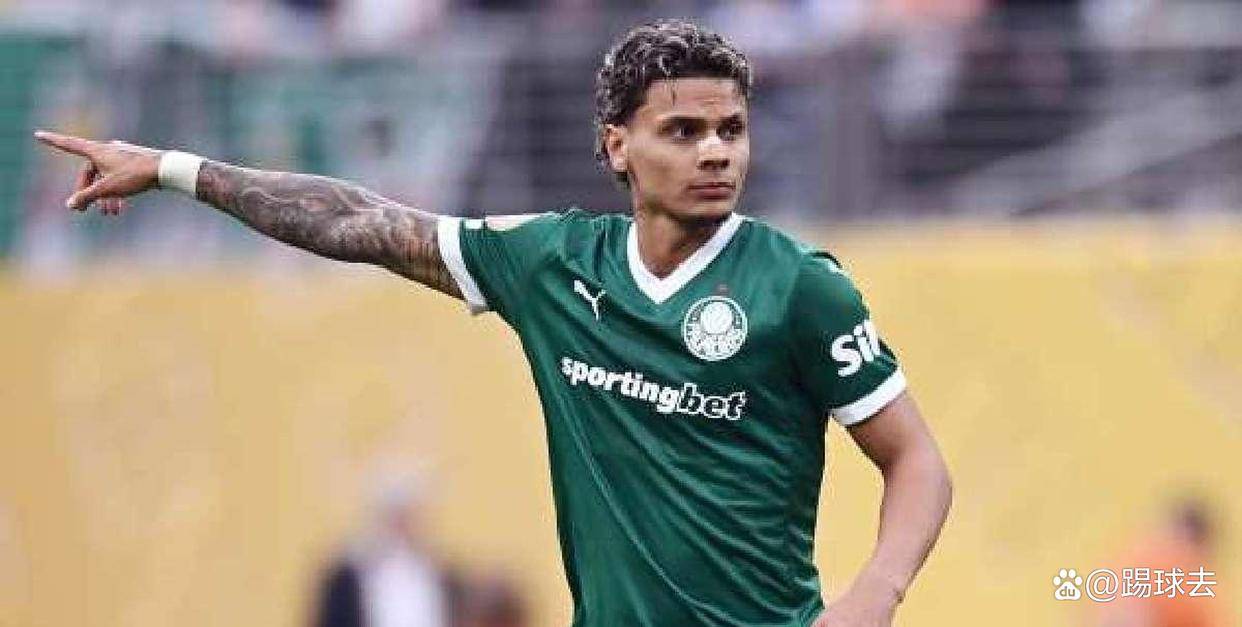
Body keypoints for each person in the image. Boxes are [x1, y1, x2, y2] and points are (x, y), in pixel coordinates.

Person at [34, 19, 952, 627]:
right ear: (617, 146)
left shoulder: (798, 287)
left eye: (732, 129)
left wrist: (876, 591)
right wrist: (176, 168)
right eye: (683, 131)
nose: (716, 151)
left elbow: (916, 459)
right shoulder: (553, 264)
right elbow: (360, 222)